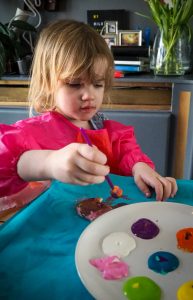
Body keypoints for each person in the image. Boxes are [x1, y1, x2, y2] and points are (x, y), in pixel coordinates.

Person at [0, 19, 177, 215]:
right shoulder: (33, 132)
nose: (89, 95)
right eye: (75, 84)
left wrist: (140, 166)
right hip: (55, 228)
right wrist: (48, 162)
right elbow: (5, 156)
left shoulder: (105, 129)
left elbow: (127, 151)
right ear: (48, 82)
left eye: (98, 84)